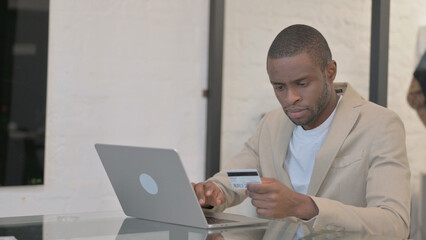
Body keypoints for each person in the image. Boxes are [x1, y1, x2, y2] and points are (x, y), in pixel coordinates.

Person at [192, 24, 411, 238]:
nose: (290, 98)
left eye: (302, 84)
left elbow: (394, 224)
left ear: (330, 72)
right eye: (279, 87)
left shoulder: (379, 125)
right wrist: (214, 192)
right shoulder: (272, 123)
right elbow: (238, 178)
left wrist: (304, 206)